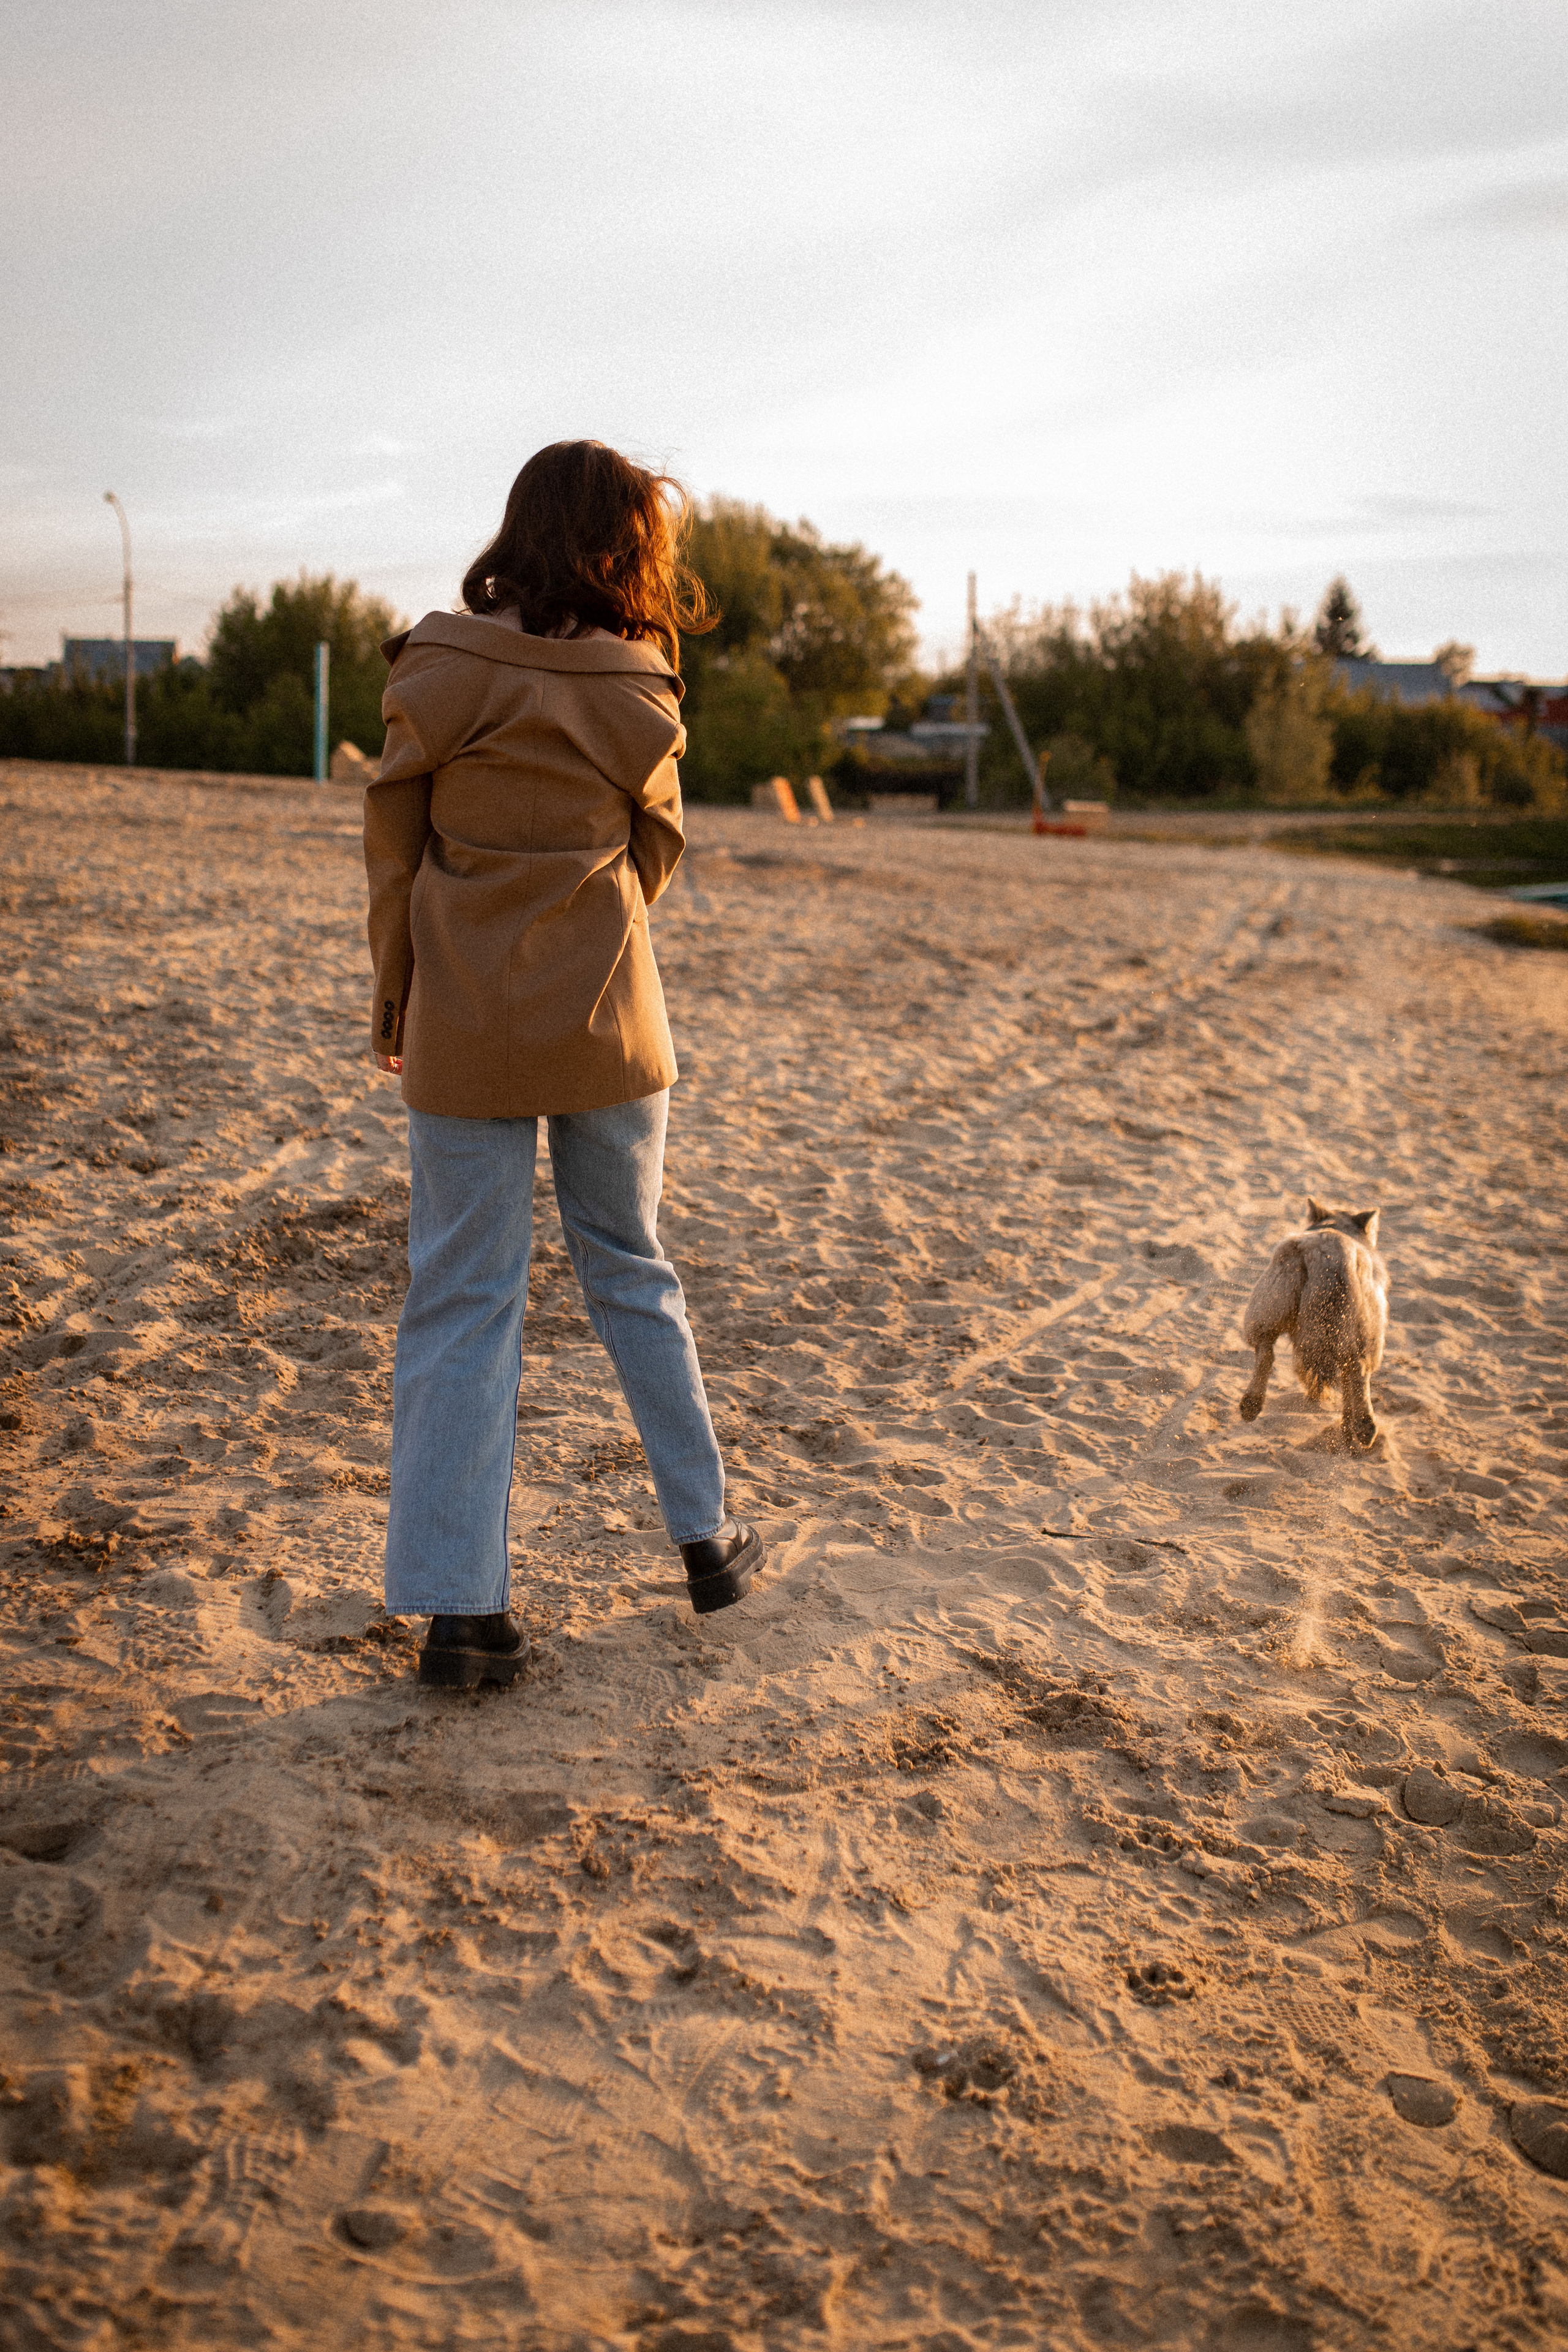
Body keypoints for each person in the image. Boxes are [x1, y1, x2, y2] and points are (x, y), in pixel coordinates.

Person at [363, 440, 761, 1690]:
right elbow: (657, 855)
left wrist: (400, 990)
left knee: (461, 1299)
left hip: (465, 1021)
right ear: (626, 545)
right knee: (631, 1270)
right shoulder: (640, 692)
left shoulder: (435, 670)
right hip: (606, 1020)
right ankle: (705, 1541)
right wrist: (587, 918)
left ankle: (457, 1613)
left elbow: (393, 852)